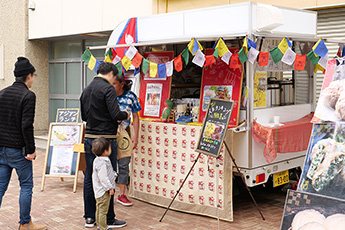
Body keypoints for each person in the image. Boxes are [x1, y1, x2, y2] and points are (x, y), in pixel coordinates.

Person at [0, 57, 47, 230]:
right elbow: (27, 125)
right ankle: (25, 223)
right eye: (33, 75)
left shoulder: (2, 93)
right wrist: (31, 150)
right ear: (28, 76)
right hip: (18, 151)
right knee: (26, 186)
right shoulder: (28, 95)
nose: (33, 78)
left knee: (0, 187)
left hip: (2, 149)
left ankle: (26, 222)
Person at [80, 62, 129, 228]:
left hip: (89, 138)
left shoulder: (86, 89)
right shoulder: (108, 89)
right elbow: (115, 113)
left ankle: (89, 217)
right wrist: (125, 114)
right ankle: (108, 218)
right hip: (106, 138)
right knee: (108, 176)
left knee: (89, 176)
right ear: (110, 73)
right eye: (114, 77)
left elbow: (84, 116)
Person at [112, 75, 141, 206]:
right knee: (108, 165)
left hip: (124, 134)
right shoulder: (107, 95)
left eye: (114, 84)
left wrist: (135, 136)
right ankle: (108, 192)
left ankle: (122, 194)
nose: (111, 86)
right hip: (109, 134)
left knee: (124, 165)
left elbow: (136, 116)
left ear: (122, 84)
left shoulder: (131, 96)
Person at [92, 137, 117, 230]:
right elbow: (103, 178)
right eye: (109, 148)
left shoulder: (98, 160)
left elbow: (107, 174)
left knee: (99, 208)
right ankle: (103, 228)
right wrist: (110, 188)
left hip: (99, 190)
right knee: (103, 210)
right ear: (105, 151)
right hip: (103, 191)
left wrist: (114, 175)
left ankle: (100, 225)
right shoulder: (102, 162)